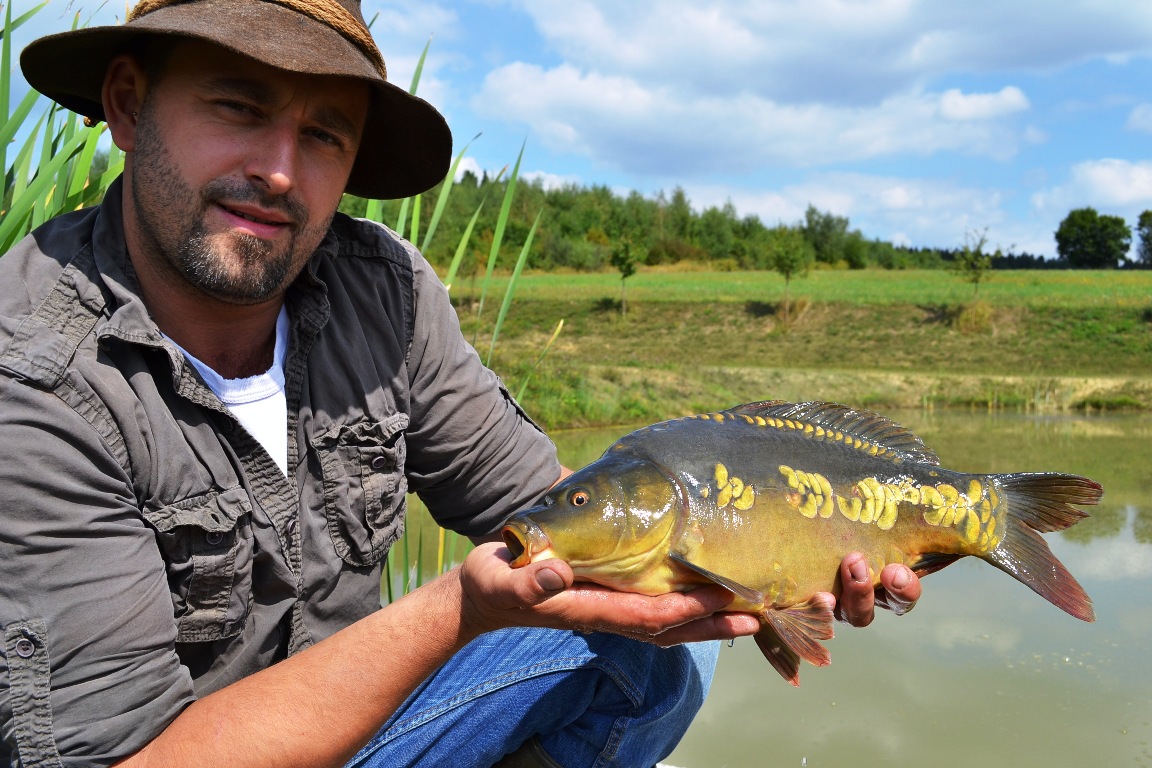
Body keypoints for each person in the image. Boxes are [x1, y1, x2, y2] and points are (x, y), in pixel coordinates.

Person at [1, 1, 922, 766]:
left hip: (366, 733)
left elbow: (546, 508)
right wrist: (461, 608)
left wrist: (768, 562)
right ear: (128, 106)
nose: (278, 171)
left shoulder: (382, 293)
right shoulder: (31, 375)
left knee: (659, 643)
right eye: (238, 108)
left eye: (322, 134)